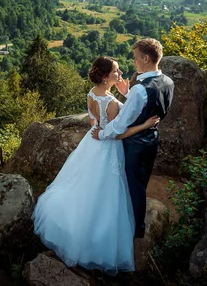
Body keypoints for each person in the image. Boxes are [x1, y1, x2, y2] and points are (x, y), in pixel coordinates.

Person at [32, 56, 160, 275]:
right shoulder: (111, 103)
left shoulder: (91, 94)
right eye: (116, 72)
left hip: (91, 143)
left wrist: (101, 124)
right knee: (105, 194)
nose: (120, 75)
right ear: (104, 77)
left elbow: (93, 121)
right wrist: (145, 126)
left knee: (82, 185)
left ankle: (71, 229)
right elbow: (118, 134)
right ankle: (92, 244)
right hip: (108, 147)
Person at [92, 38, 174, 238]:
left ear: (146, 58)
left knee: (133, 186)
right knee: (141, 182)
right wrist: (127, 94)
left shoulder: (140, 89)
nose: (134, 62)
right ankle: (135, 221)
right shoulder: (168, 82)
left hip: (135, 144)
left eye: (136, 58)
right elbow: (148, 107)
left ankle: (136, 229)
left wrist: (101, 134)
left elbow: (120, 125)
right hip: (152, 139)